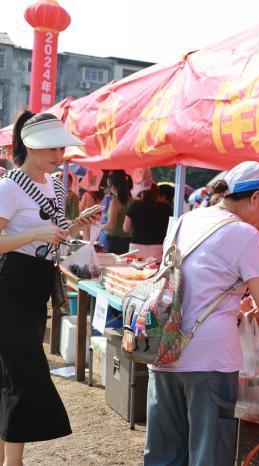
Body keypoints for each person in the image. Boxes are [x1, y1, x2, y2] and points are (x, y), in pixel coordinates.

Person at [144, 161, 259, 466]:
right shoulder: (244, 234)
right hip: (209, 362)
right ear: (255, 198)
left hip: (164, 350)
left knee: (164, 456)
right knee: (209, 455)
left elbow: (204, 294)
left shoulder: (186, 220)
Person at [0, 111, 100, 465]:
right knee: (26, 376)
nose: (59, 154)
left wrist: (76, 225)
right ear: (29, 146)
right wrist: (33, 234)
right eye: (51, 148)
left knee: (12, 377)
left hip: (36, 287)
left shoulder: (56, 185)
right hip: (9, 287)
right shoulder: (9, 187)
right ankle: (14, 462)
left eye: (61, 147)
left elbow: (55, 237)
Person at [123, 183, 171, 259]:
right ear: (157, 193)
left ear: (142, 193)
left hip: (136, 246)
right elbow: (168, 230)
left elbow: (126, 229)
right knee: (155, 270)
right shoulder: (166, 208)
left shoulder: (135, 206)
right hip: (157, 246)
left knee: (135, 269)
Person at [101, 172, 133, 255]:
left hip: (115, 241)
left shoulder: (115, 202)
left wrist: (98, 227)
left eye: (109, 185)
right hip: (129, 239)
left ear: (113, 186)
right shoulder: (132, 201)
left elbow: (111, 224)